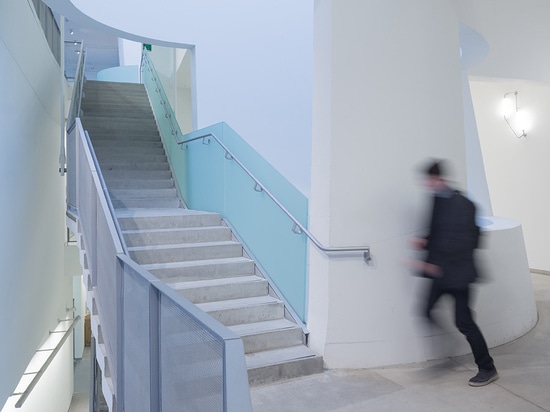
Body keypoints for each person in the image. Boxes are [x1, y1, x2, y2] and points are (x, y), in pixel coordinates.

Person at [411, 160, 498, 387]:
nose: (427, 185)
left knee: (465, 323)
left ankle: (487, 368)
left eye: (430, 180)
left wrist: (433, 263)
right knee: (425, 310)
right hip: (442, 273)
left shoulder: (464, 205)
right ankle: (448, 349)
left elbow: (469, 240)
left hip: (458, 276)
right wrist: (425, 243)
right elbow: (438, 233)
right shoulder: (437, 201)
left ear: (438, 179)